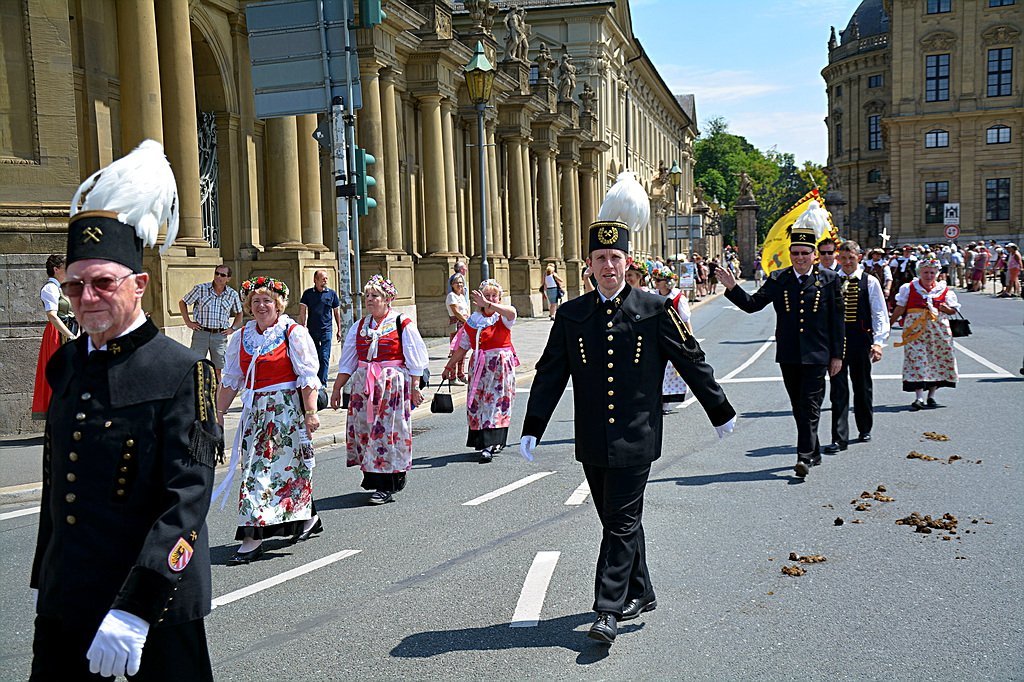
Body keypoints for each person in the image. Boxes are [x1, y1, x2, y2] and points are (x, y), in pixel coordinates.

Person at [520, 174, 736, 646]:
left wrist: (720, 410)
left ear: (627, 262)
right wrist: (533, 425)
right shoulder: (572, 314)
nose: (608, 266)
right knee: (618, 521)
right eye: (600, 259)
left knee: (619, 522)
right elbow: (551, 373)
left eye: (615, 258)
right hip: (593, 438)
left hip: (638, 435)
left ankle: (607, 610)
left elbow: (691, 358)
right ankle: (643, 589)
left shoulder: (656, 307)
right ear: (590, 266)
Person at [31, 140, 219, 680]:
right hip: (69, 598)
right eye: (75, 284)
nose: (87, 297)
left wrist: (139, 605)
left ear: (139, 284)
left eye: (103, 283)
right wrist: (51, 580)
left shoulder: (184, 372)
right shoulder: (65, 366)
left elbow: (187, 502)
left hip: (151, 606)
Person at [717, 201, 844, 478]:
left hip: (818, 355)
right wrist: (732, 288)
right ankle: (815, 449)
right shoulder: (779, 279)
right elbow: (753, 304)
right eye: (795, 253)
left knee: (810, 405)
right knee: (799, 406)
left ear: (813, 255)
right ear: (790, 254)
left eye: (804, 253)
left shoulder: (830, 280)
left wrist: (837, 355)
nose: (799, 258)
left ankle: (803, 458)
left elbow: (837, 321)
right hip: (789, 354)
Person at [215, 276, 322, 565]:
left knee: (283, 471)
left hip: (286, 412)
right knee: (255, 468)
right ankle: (304, 517)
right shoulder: (242, 336)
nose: (261, 306)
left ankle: (254, 537)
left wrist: (310, 413)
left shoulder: (293, 333)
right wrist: (219, 414)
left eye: (267, 301)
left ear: (278, 305)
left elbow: (308, 377)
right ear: (249, 306)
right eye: (256, 301)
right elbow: (232, 380)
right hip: (256, 413)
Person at [331, 275, 428, 504]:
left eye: (375, 296)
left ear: (387, 299)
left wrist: (415, 387)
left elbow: (415, 359)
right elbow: (348, 362)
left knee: (389, 433)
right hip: (364, 387)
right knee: (365, 432)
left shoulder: (401, 323)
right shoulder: (360, 326)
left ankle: (388, 483)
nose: (370, 300)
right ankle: (374, 478)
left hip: (392, 387)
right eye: (367, 296)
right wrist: (336, 389)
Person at [442, 279, 519, 463]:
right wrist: (449, 366)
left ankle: (490, 444)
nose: (490, 298)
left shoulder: (502, 317)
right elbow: (463, 346)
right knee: (480, 403)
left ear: (499, 298)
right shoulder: (474, 320)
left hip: (499, 364)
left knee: (496, 401)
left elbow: (513, 312)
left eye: (494, 296)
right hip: (479, 365)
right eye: (487, 295)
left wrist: (490, 304)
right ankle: (483, 440)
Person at [825, 240, 890, 452]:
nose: (846, 262)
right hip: (836, 343)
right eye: (842, 258)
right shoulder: (831, 280)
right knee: (838, 390)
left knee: (862, 385)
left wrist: (878, 342)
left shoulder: (869, 281)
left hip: (861, 340)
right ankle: (839, 437)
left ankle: (864, 427)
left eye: (850, 258)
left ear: (858, 257)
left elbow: (879, 312)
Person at [890, 259, 960, 410]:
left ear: (937, 274)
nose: (929, 276)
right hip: (915, 330)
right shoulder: (909, 288)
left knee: (936, 360)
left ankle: (931, 396)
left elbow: (953, 310)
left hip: (938, 330)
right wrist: (888, 324)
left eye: (932, 273)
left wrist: (944, 308)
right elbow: (900, 308)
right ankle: (919, 397)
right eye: (926, 272)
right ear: (919, 273)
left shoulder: (944, 290)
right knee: (917, 359)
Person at [178, 265, 243, 384]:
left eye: (222, 275)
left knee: (218, 370)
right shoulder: (200, 289)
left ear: (228, 278)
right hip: (201, 333)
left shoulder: (232, 294)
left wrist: (232, 328)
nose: (218, 277)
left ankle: (217, 400)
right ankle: (196, 397)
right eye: (217, 273)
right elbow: (183, 302)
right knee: (196, 366)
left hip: (219, 336)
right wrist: (188, 322)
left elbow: (239, 313)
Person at [31, 254, 77, 420]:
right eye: (65, 268)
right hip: (57, 334)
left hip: (69, 330)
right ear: (56, 269)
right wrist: (69, 334)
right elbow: (52, 315)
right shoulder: (50, 288)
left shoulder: (64, 287)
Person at [652, 268, 692, 413]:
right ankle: (658, 399)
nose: (655, 283)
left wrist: (689, 340)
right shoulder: (653, 295)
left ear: (667, 283)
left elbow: (686, 320)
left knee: (669, 372)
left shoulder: (678, 298)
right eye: (655, 280)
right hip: (656, 337)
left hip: (673, 338)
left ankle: (665, 402)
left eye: (658, 280)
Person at [298, 269, 342, 386]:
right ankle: (315, 379)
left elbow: (337, 312)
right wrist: (302, 326)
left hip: (326, 329)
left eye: (326, 279)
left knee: (324, 356)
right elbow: (302, 311)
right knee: (314, 356)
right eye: (323, 279)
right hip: (312, 330)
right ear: (315, 280)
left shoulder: (331, 294)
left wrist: (339, 329)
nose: (325, 281)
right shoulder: (308, 294)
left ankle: (323, 382)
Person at [446, 274, 471, 382]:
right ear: (452, 285)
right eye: (457, 282)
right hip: (457, 324)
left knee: (464, 350)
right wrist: (466, 322)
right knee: (456, 350)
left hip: (464, 323)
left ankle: (461, 374)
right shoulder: (451, 296)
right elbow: (456, 312)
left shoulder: (461, 296)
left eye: (461, 282)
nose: (460, 284)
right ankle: (452, 376)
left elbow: (466, 310)